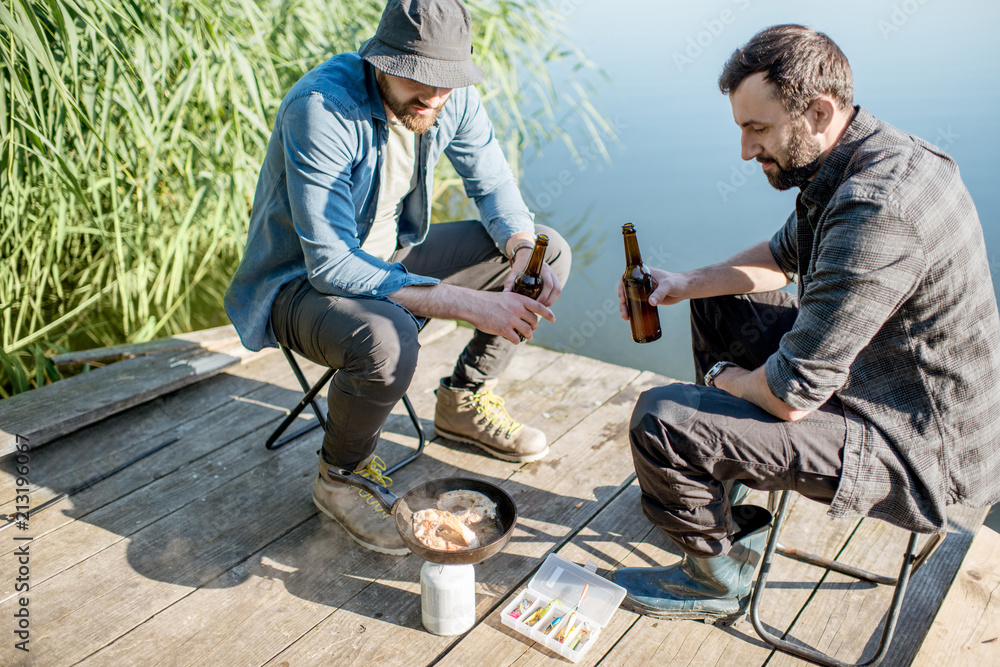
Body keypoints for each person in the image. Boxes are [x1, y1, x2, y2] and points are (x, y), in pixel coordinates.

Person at [612, 24, 1000, 624]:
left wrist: (720, 379)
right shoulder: (853, 156)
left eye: (757, 129)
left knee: (663, 420)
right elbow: (780, 256)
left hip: (918, 448)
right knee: (719, 301)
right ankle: (724, 479)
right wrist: (683, 284)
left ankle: (713, 577)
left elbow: (790, 395)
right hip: (879, 374)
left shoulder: (878, 208)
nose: (744, 150)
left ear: (818, 112)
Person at [224, 0, 571, 556]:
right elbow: (332, 262)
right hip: (301, 286)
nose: (433, 96)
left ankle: (463, 401)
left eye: (448, 81)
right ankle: (340, 477)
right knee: (386, 338)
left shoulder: (447, 99)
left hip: (392, 258)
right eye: (417, 78)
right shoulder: (322, 110)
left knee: (549, 252)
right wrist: (463, 302)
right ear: (380, 60)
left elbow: (494, 185)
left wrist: (524, 250)